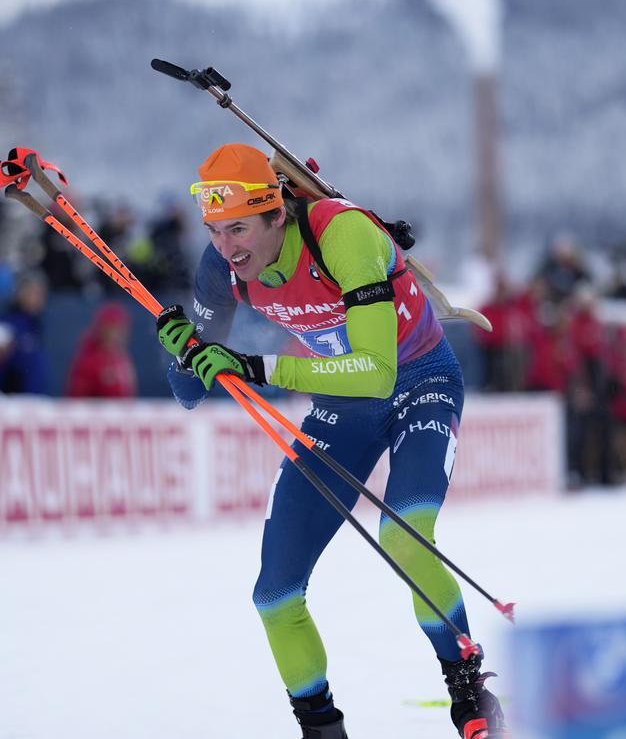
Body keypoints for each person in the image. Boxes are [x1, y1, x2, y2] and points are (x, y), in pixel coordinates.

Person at [154, 144, 505, 739]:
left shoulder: (342, 235)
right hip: (343, 407)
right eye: (214, 231)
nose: (227, 247)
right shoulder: (221, 270)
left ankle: (465, 682)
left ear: (277, 215)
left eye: (239, 228)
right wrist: (183, 346)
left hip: (417, 381)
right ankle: (321, 728)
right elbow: (189, 390)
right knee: (275, 594)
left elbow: (377, 371)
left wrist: (256, 367)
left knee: (405, 536)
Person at [66, 301, 136, 398]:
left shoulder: (121, 356)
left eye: (121, 328)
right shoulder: (89, 359)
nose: (118, 333)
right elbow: (77, 398)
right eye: (112, 328)